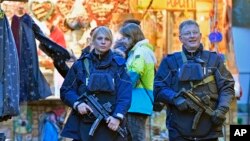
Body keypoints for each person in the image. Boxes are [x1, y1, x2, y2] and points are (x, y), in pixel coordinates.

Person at [153, 19, 235, 141]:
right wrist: (175, 98)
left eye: (195, 32)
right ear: (180, 38)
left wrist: (222, 109)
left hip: (210, 129)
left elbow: (227, 86)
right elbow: (159, 88)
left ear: (200, 36)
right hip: (178, 129)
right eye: (187, 33)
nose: (192, 36)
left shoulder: (214, 60)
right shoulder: (170, 61)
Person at [60, 26, 132, 141]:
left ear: (111, 42)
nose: (103, 42)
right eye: (99, 38)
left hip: (110, 124)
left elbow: (125, 94)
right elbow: (66, 90)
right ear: (93, 40)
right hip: (83, 124)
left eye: (107, 39)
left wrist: (118, 116)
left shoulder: (119, 66)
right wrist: (77, 104)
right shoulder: (81, 65)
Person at [118, 23, 157, 141]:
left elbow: (135, 72)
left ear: (132, 37)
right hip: (137, 102)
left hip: (137, 102)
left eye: (125, 37)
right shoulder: (139, 51)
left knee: (136, 137)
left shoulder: (140, 51)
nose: (123, 41)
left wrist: (121, 88)